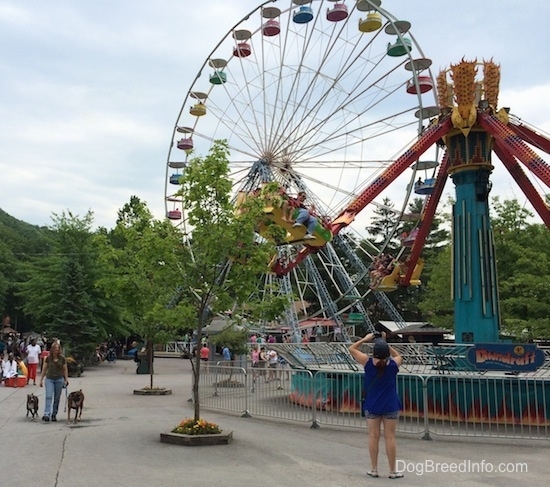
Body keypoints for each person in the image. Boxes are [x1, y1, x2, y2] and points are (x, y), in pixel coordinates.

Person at [349, 332, 404, 479]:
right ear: (386, 354)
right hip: (391, 405)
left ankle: (374, 469)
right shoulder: (393, 365)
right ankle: (392, 471)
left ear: (374, 353)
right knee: (390, 437)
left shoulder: (367, 363)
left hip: (372, 404)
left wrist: (365, 339)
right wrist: (385, 343)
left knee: (373, 436)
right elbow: (399, 356)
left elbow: (352, 349)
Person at [39, 342, 69, 422]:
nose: (56, 350)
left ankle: (54, 414)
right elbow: (44, 369)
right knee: (48, 396)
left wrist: (66, 379)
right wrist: (41, 379)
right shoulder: (48, 358)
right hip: (49, 379)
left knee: (57, 398)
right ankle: (46, 414)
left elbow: (65, 369)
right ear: (52, 349)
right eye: (55, 348)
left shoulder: (62, 358)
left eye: (58, 348)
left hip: (59, 379)